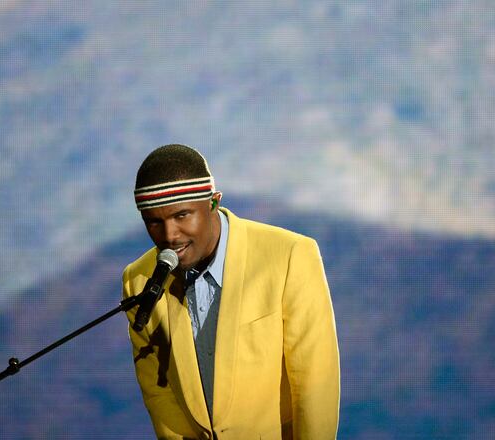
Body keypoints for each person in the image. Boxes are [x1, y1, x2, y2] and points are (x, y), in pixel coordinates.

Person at [122, 144, 340, 439]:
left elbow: (315, 383)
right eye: (154, 222)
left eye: (182, 216)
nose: (170, 235)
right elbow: (158, 391)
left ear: (213, 202)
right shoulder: (139, 280)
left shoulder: (290, 256)